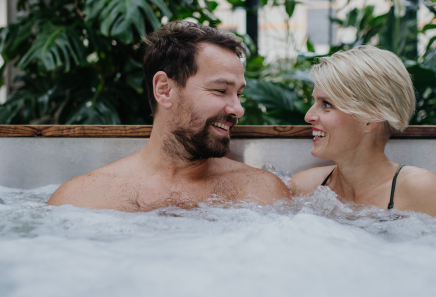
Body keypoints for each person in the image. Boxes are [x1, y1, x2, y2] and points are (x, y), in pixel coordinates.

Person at [48, 21, 291, 211]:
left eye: (239, 94)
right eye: (220, 90)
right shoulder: (81, 199)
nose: (238, 109)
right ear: (164, 90)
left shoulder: (262, 193)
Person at [290, 45, 436, 222]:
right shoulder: (305, 187)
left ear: (370, 119)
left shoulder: (420, 189)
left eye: (326, 104)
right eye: (314, 102)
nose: (308, 116)